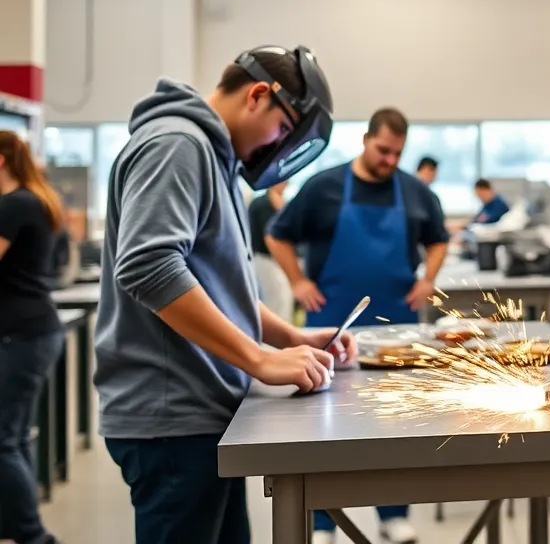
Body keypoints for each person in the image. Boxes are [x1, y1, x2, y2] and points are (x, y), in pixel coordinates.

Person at [94, 46, 355, 544]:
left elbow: (215, 287)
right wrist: (257, 357)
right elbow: (149, 266)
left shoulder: (216, 159)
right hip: (172, 417)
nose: (274, 148)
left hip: (203, 410)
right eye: (282, 131)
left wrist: (288, 335)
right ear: (259, 96)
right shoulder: (177, 144)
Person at [266, 106, 450, 544]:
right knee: (327, 424)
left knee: (396, 421)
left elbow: (439, 238)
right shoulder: (323, 186)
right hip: (328, 325)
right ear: (366, 140)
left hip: (397, 326)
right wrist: (297, 281)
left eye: (397, 154)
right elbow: (278, 233)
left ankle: (393, 514)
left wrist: (428, 279)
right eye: (383, 150)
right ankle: (324, 521)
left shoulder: (414, 192)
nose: (389, 160)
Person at [0, 131, 66, 544]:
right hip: (34, 331)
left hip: (21, 334)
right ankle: (15, 527)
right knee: (14, 436)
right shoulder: (32, 199)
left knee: (2, 441)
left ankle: (32, 536)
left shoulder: (12, 204)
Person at [248, 181, 293, 321]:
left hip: (274, 260)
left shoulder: (281, 202)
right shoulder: (262, 204)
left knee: (283, 299)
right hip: (264, 258)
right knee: (277, 299)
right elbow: (270, 236)